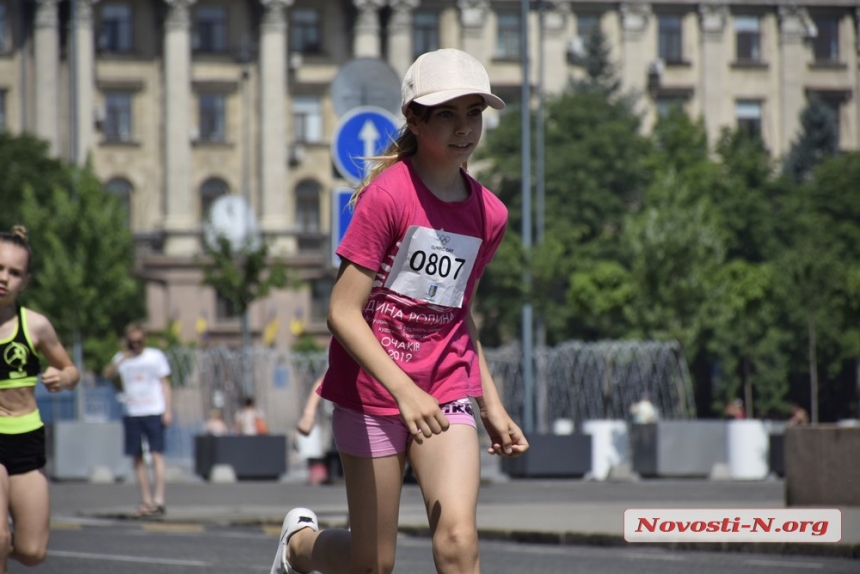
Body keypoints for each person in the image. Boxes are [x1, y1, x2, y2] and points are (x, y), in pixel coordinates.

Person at [271, 48, 529, 574]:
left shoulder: (490, 213)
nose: (464, 129)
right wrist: (403, 390)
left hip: (446, 386)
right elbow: (342, 313)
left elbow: (461, 316)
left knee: (458, 541)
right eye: (447, 114)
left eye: (474, 113)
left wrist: (490, 405)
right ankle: (299, 547)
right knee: (373, 563)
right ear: (413, 117)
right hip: (372, 392)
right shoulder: (388, 197)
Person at [0, 226, 80, 573]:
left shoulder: (35, 326)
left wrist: (62, 377)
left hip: (26, 437)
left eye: (14, 273)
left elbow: (70, 369)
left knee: (32, 551)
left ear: (25, 281)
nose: (4, 278)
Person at [102, 323, 172, 518]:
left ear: (144, 339)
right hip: (132, 411)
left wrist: (168, 410)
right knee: (137, 457)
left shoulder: (155, 356)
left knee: (157, 454)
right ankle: (146, 500)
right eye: (132, 342)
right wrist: (120, 360)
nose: (136, 345)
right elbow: (106, 374)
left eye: (139, 341)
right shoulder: (122, 358)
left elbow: (165, 383)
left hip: (153, 409)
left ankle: (159, 499)